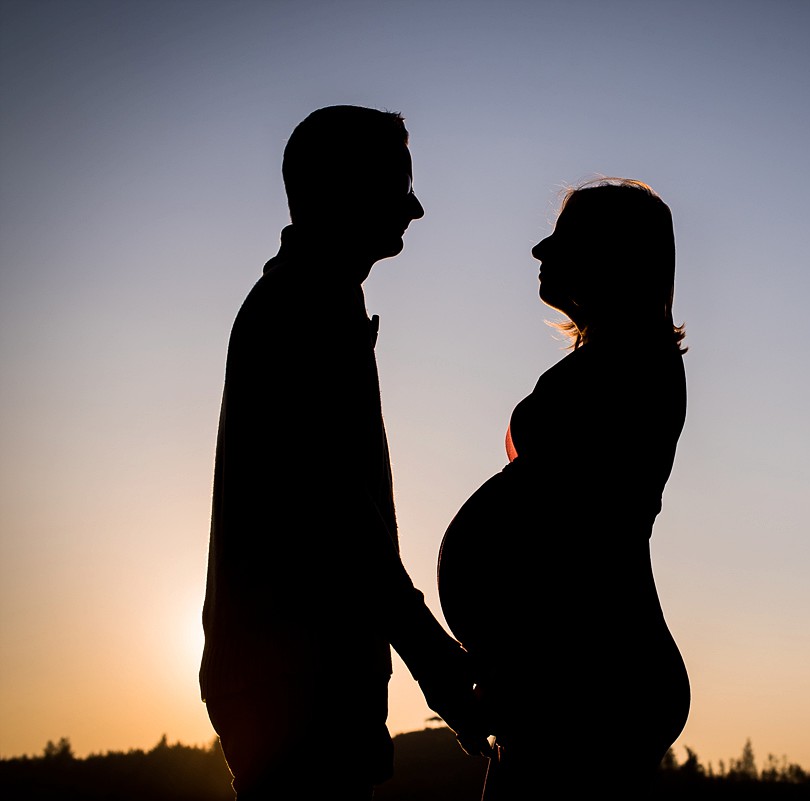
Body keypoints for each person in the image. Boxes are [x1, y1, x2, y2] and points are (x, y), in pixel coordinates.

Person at [200, 105, 484, 800]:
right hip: (298, 685)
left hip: (299, 680)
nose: (415, 207)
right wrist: (436, 661)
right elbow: (340, 518)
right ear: (345, 189)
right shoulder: (303, 313)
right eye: (399, 185)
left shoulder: (309, 303)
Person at [437, 178, 691, 799]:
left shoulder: (633, 366)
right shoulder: (614, 360)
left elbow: (579, 536)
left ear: (612, 255)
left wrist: (524, 659)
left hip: (591, 675)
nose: (538, 251)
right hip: (564, 670)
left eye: (562, 238)